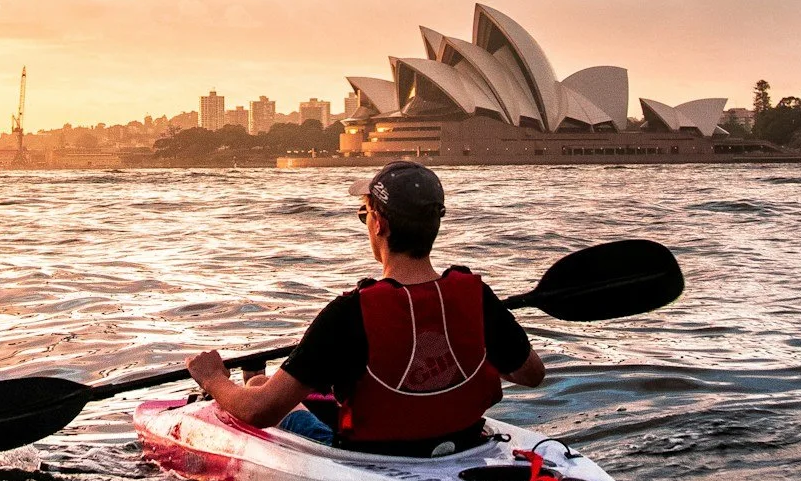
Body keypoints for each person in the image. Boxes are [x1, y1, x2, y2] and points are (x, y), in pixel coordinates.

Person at [185, 161, 546, 457]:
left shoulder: (349, 312)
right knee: (270, 386)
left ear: (379, 224)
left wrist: (213, 377)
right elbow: (532, 375)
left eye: (364, 214)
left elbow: (260, 412)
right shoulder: (476, 295)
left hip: (371, 456)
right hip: (463, 445)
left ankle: (248, 381)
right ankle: (254, 380)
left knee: (260, 390)